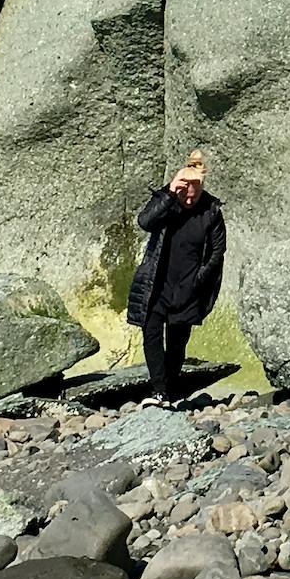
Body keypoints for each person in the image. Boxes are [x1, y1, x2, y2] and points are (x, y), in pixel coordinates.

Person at [127, 151, 225, 406]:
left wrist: (199, 281)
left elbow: (217, 252)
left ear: (202, 187)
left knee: (177, 341)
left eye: (195, 193)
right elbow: (145, 222)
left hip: (190, 286)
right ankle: (159, 391)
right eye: (185, 194)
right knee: (151, 333)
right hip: (157, 283)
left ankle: (169, 388)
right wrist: (170, 193)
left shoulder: (212, 210)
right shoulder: (167, 200)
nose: (190, 199)